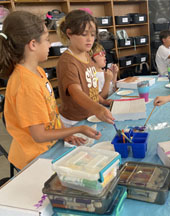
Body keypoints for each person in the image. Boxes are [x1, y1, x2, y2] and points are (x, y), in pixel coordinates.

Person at [0, 11, 101, 170]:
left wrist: (65, 133)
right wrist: (79, 128)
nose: (50, 44)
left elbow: (50, 113)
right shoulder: (25, 84)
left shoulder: (37, 71)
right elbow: (39, 135)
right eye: (47, 39)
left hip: (49, 148)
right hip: (34, 160)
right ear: (33, 44)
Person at [57, 10, 114, 127]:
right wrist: (97, 109)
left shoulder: (86, 55)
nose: (89, 39)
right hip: (74, 121)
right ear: (69, 34)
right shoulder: (67, 61)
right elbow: (76, 92)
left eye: (92, 35)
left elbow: (89, 89)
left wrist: (102, 101)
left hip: (89, 115)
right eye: (84, 34)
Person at [90, 42, 118, 106]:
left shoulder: (103, 71)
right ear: (91, 59)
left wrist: (114, 74)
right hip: (105, 106)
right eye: (100, 54)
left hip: (113, 100)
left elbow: (113, 89)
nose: (104, 56)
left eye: (104, 53)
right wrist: (107, 81)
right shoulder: (94, 75)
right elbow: (102, 98)